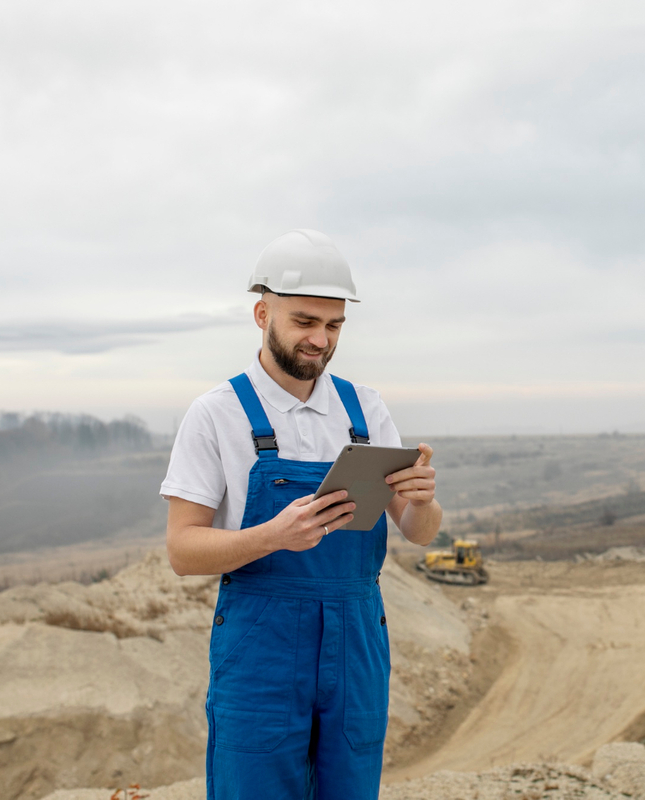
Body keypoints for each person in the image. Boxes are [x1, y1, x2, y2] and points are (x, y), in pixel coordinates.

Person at [160, 229, 442, 799]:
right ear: (263, 313)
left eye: (334, 326)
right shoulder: (216, 414)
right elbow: (182, 551)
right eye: (305, 322)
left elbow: (417, 533)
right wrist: (271, 536)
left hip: (358, 634)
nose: (321, 339)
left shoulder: (364, 408)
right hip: (262, 642)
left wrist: (423, 500)